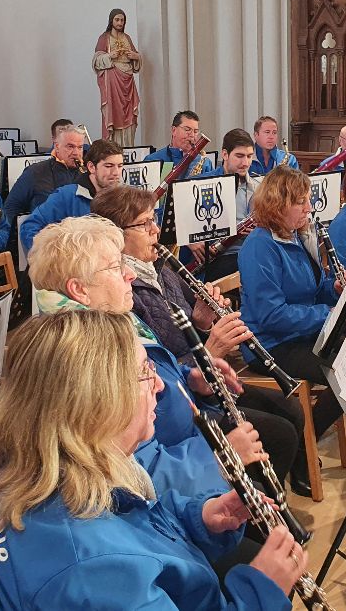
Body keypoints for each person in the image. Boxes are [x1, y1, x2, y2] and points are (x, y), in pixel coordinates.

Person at [0, 311, 303, 610]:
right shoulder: (92, 573)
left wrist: (199, 518)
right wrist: (262, 591)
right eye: (145, 373)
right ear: (97, 403)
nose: (161, 386)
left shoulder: (65, 469)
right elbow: (118, 551)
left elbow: (133, 522)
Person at [27, 216, 264, 500]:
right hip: (170, 487)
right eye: (116, 267)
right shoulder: (88, 357)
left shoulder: (117, 319)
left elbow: (163, 371)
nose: (130, 274)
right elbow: (129, 472)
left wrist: (193, 380)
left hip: (187, 449)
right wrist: (218, 459)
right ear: (79, 289)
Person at [91, 185, 301, 491]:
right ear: (116, 235)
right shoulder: (123, 295)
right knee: (279, 432)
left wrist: (203, 322)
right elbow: (159, 374)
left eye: (154, 219)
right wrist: (210, 348)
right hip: (178, 405)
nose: (156, 229)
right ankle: (247, 502)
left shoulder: (160, 268)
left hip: (200, 382)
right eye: (144, 223)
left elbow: (187, 331)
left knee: (289, 409)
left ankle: (277, 488)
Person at [238, 166, 344, 473]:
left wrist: (334, 289)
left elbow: (312, 288)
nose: (309, 207)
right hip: (271, 344)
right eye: (302, 201)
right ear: (279, 204)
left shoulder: (295, 236)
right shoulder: (260, 246)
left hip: (300, 333)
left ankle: (305, 441)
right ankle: (301, 453)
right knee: (344, 373)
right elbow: (272, 315)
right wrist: (327, 315)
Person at [18, 139, 124, 254]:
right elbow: (29, 227)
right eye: (109, 166)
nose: (116, 172)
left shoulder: (123, 198)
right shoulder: (67, 196)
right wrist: (55, 259)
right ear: (91, 167)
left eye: (120, 166)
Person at [188, 128, 263, 280]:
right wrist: (190, 240)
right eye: (239, 156)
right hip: (217, 258)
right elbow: (176, 219)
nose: (246, 163)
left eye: (249, 156)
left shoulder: (259, 187)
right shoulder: (202, 183)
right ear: (225, 154)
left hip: (251, 252)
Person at [4, 125, 84, 224]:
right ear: (57, 146)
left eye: (80, 147)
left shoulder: (87, 174)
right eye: (70, 146)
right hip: (42, 235)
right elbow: (11, 208)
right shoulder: (34, 172)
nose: (76, 152)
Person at [93, 8, 142, 146]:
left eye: (122, 20)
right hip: (113, 79)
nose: (120, 22)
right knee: (114, 114)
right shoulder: (105, 38)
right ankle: (113, 146)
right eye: (117, 19)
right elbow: (96, 60)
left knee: (130, 116)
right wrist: (109, 56)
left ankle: (128, 145)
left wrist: (136, 57)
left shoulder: (127, 38)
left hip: (128, 81)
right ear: (111, 20)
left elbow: (136, 57)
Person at [144, 111, 212, 179]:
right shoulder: (152, 160)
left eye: (195, 131)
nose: (192, 135)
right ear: (174, 130)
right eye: (187, 130)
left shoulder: (204, 162)